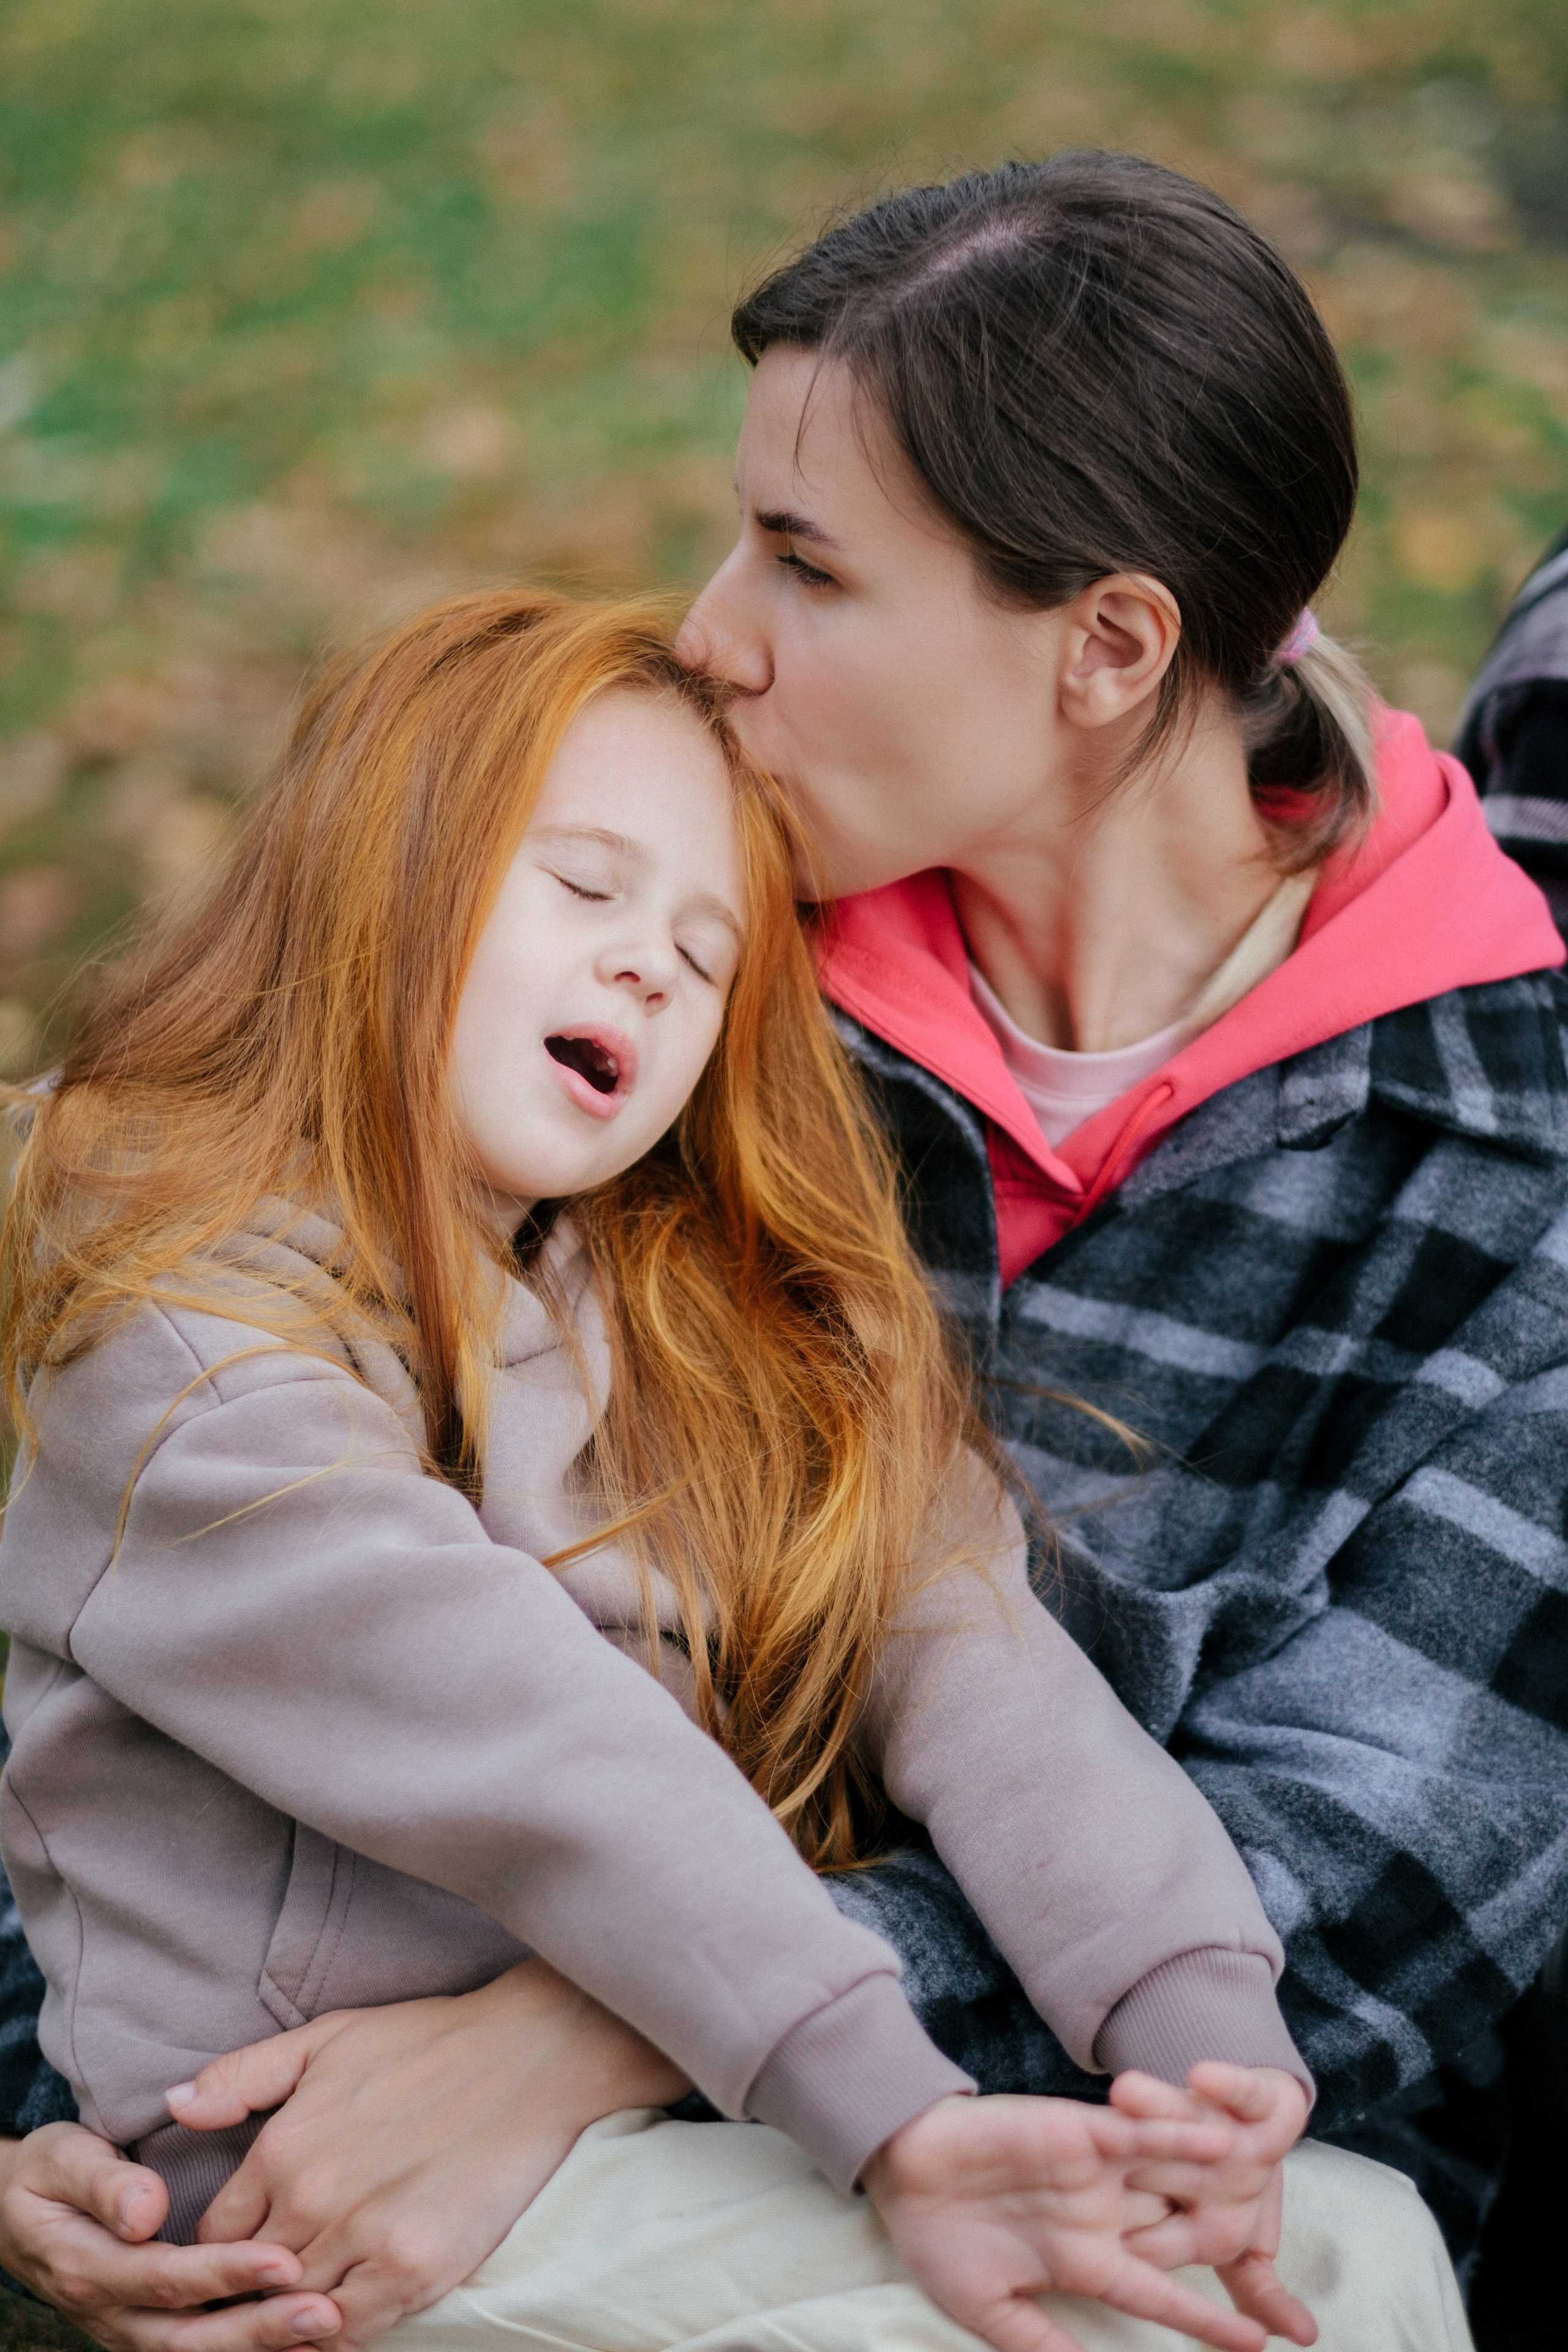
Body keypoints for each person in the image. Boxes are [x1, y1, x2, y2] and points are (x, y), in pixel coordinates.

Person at [0, 149, 1556, 2350]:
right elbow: (192, 1613)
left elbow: (1390, 1887)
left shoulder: (1506, 1163)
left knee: (1344, 2266)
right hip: (391, 2173)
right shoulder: (639, 967)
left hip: (1036, 2153)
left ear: (1110, 644)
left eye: (806, 564)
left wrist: (597, 2036)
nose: (711, 627)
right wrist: (32, 2109)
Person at [0, 584, 1341, 2352]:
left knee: (1338, 2238)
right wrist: (893, 2114)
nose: (649, 958)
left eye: (708, 953)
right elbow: (525, 1730)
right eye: (584, 887)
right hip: (291, 2196)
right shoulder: (181, 1342)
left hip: (658, 2117)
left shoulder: (696, 1328)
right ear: (374, 870)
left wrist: (1208, 2053)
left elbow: (983, 1673)